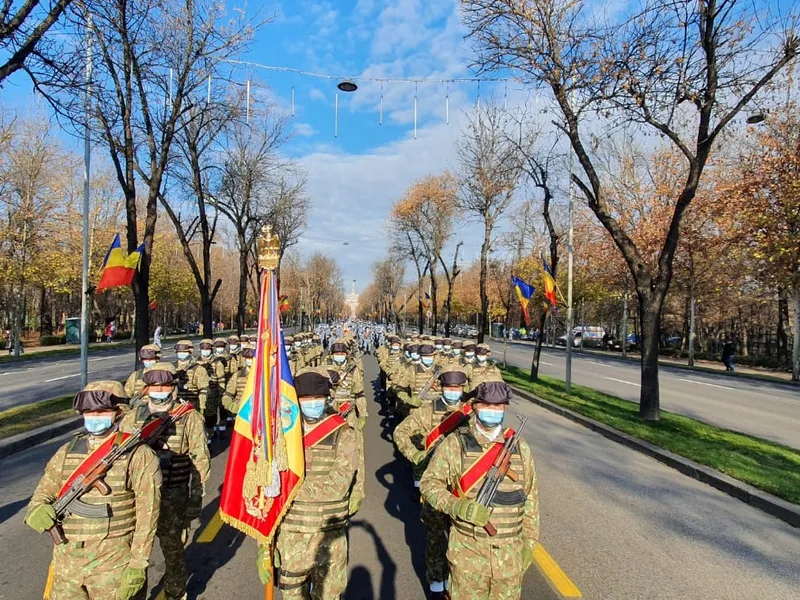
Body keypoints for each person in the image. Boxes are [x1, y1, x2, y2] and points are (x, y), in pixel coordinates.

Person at [25, 381, 161, 600]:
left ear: (118, 413)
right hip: (67, 565)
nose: (94, 416)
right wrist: (36, 510)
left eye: (101, 411)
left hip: (113, 565)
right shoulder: (66, 452)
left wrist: (138, 564)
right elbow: (44, 491)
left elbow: (148, 515)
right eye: (89, 411)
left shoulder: (138, 455)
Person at [420, 382, 539, 600]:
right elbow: (429, 484)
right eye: (487, 405)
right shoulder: (455, 444)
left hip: (509, 560)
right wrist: (457, 506)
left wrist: (529, 544)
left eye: (499, 407)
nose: (493, 411)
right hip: (468, 559)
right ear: (475, 406)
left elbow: (530, 499)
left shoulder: (520, 448)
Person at [259, 367, 358, 599]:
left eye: (318, 398)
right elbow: (263, 497)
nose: (312, 403)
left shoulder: (343, 434)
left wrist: (285, 486)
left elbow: (338, 487)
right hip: (291, 537)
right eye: (306, 399)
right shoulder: (279, 438)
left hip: (329, 536)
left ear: (327, 398)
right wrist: (263, 545)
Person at [121, 363, 210, 600]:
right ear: (146, 389)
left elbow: (199, 459)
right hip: (136, 498)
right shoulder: (132, 418)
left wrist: (195, 497)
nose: (159, 390)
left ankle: (175, 592)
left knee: (173, 550)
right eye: (154, 386)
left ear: (172, 388)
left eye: (164, 385)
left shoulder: (188, 417)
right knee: (134, 551)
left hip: (174, 494)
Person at [394, 368, 471, 599]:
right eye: (449, 388)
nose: (453, 392)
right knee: (436, 536)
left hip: (465, 487)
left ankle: (458, 584)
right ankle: (437, 582)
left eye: (457, 388)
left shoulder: (472, 413)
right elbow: (401, 432)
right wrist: (415, 455)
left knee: (464, 540)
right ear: (440, 388)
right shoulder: (428, 411)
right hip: (435, 485)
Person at [324, 340, 367, 513]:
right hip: (329, 416)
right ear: (331, 355)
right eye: (336, 354)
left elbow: (360, 394)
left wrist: (362, 414)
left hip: (349, 415)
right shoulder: (323, 370)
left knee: (356, 451)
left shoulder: (353, 370)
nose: (339, 357)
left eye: (342, 354)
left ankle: (357, 489)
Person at [196, 339, 226, 439]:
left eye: (208, 348)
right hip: (199, 394)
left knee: (210, 415)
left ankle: (210, 432)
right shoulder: (195, 362)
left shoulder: (217, 363)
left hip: (213, 393)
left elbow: (221, 379)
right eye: (203, 348)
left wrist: (221, 393)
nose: (205, 351)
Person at [173, 340, 209, 411]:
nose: (181, 353)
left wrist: (201, 407)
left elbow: (204, 389)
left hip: (193, 405)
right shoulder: (172, 367)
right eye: (179, 351)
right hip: (176, 406)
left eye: (184, 352)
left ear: (190, 352)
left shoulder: (198, 368)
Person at [221, 347, 255, 414]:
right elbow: (228, 393)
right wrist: (232, 407)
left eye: (251, 358)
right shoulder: (238, 374)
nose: (249, 360)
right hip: (240, 410)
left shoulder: (263, 375)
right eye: (247, 358)